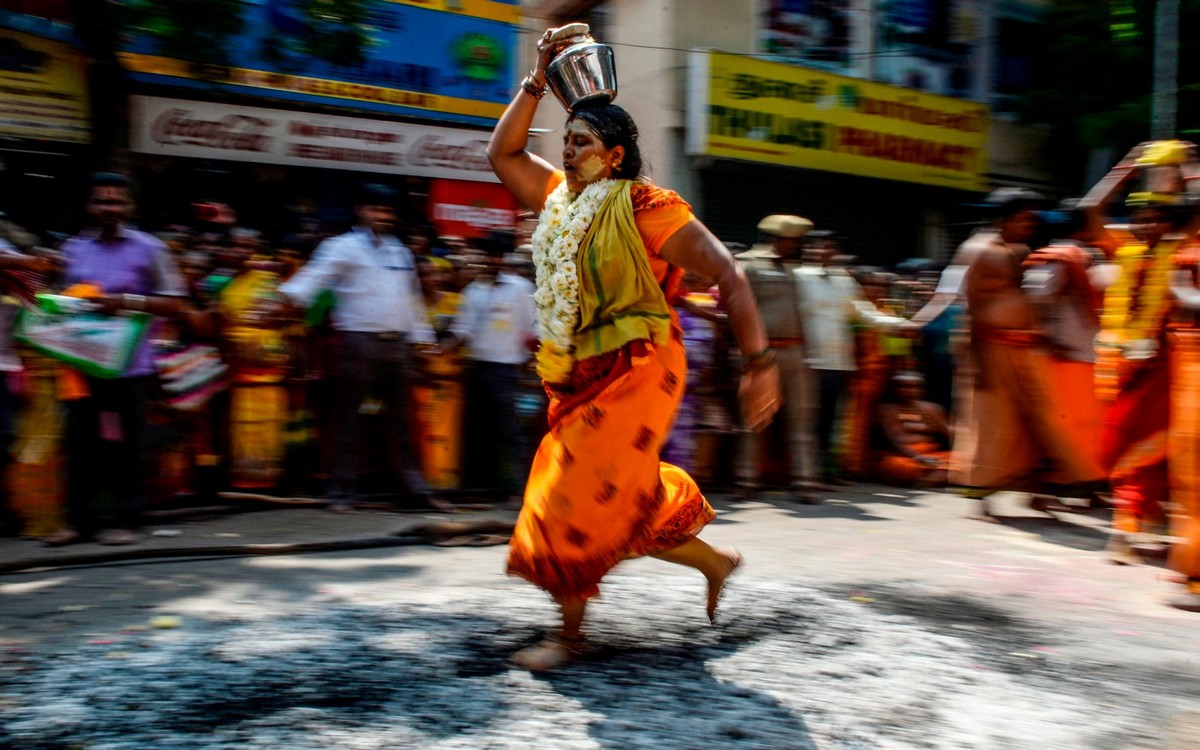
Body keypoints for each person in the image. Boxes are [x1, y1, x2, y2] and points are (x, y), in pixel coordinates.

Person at [486, 25, 781, 670]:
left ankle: (569, 636)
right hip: (578, 370)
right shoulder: (562, 202)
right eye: (564, 143)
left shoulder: (651, 209)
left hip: (642, 366)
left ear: (615, 155)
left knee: (569, 487)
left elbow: (727, 272)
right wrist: (538, 77)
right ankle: (714, 561)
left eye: (581, 143)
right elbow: (503, 154)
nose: (566, 153)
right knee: (617, 494)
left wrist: (760, 364)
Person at [45, 172, 186, 546]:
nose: (110, 208)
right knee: (80, 442)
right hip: (81, 360)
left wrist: (124, 302)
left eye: (117, 201)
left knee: (130, 444)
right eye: (102, 201)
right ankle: (79, 522)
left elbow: (174, 303)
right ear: (89, 205)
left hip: (130, 361)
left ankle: (129, 520)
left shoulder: (150, 248)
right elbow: (60, 298)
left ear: (130, 206)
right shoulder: (74, 249)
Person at [277, 183, 437, 511]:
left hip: (398, 345)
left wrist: (423, 339)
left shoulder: (400, 251)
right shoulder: (342, 247)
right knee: (347, 420)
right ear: (361, 211)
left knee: (402, 423)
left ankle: (413, 490)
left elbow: (412, 300)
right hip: (358, 342)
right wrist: (283, 300)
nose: (384, 217)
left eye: (388, 212)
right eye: (377, 210)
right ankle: (341, 492)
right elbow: (312, 278)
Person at [952, 188, 1106, 520]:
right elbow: (971, 305)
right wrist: (974, 357)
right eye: (1025, 218)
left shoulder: (1022, 251)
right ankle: (981, 498)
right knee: (992, 424)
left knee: (1041, 422)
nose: (1031, 224)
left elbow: (1034, 300)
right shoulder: (977, 249)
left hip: (1027, 349)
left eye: (1033, 219)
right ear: (1004, 219)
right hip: (990, 349)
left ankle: (1039, 492)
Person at [796, 230, 905, 484]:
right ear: (809, 249)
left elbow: (863, 313)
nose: (824, 251)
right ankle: (805, 473)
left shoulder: (844, 280)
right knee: (806, 421)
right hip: (808, 361)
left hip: (839, 364)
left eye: (829, 247)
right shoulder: (797, 277)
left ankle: (827, 473)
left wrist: (897, 323)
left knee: (832, 421)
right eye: (819, 247)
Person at [734, 214, 819, 501]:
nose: (796, 246)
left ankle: (805, 481)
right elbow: (740, 309)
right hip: (763, 353)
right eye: (792, 240)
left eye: (798, 241)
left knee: (801, 420)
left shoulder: (802, 270)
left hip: (796, 351)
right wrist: (747, 352)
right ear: (777, 239)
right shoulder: (750, 265)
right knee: (756, 418)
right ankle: (746, 480)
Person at [449, 229, 537, 503]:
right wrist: (438, 348)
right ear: (484, 258)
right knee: (475, 431)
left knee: (510, 432)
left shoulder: (521, 289)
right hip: (476, 368)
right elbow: (460, 330)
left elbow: (535, 327)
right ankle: (476, 488)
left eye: (500, 256)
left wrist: (532, 359)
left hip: (506, 370)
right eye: (491, 256)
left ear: (505, 258)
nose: (495, 261)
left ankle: (519, 490)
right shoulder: (472, 291)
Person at [876, 371, 951, 487]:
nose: (908, 390)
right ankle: (935, 478)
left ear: (922, 389)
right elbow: (893, 442)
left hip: (931, 456)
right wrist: (918, 457)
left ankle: (928, 479)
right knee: (896, 465)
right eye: (903, 386)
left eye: (914, 386)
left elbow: (950, 435)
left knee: (960, 460)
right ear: (894, 389)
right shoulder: (887, 411)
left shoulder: (933, 409)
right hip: (904, 456)